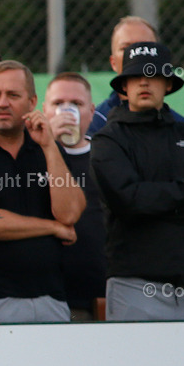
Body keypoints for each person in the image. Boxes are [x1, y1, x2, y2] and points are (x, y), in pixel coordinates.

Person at [90, 43, 184, 321]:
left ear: (168, 84)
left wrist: (153, 202)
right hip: (135, 287)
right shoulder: (108, 139)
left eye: (153, 75)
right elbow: (129, 202)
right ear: (124, 86)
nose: (144, 81)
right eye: (136, 76)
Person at [0, 60, 86, 324]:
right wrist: (52, 228)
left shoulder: (50, 151)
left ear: (32, 102)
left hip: (52, 299)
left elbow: (69, 214)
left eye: (12, 95)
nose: (2, 103)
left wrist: (49, 146)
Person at [41, 72, 106, 321]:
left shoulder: (107, 157)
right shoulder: (29, 157)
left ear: (91, 111)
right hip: (46, 297)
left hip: (100, 295)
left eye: (77, 104)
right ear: (44, 110)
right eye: (58, 104)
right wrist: (49, 143)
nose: (67, 112)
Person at [89, 16, 184, 135]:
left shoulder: (181, 127)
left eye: (145, 47)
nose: (136, 55)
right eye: (125, 48)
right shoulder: (96, 123)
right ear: (113, 62)